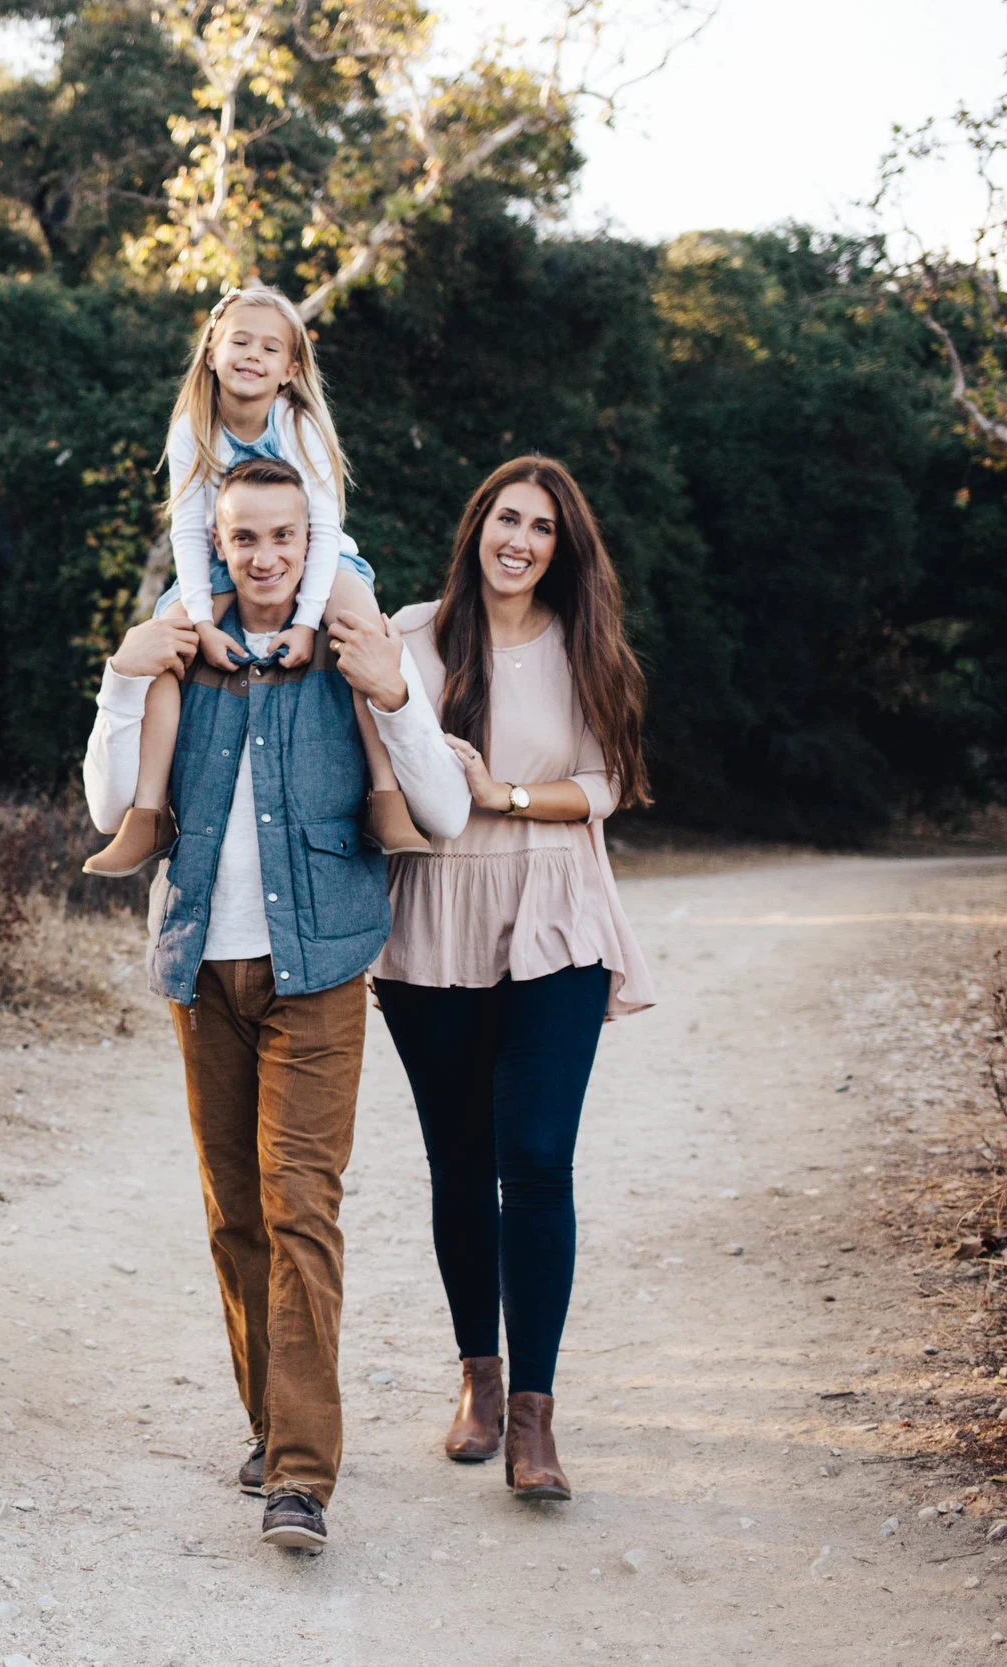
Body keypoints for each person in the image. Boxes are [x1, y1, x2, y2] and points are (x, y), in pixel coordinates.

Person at [83, 456, 470, 1551]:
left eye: (283, 539)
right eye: (243, 539)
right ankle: (267, 1423)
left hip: (321, 973)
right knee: (235, 1210)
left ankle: (300, 1474)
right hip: (202, 972)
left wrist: (395, 691)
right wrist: (122, 672)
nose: (263, 558)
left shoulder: (349, 654)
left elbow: (438, 807)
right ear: (218, 547)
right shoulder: (179, 662)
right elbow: (112, 801)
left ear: (314, 549)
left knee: (302, 1205)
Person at [368, 455, 658, 1504]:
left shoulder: (584, 648)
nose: (520, 539)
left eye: (541, 527)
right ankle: (476, 1386)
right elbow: (365, 761)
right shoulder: (407, 636)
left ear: (559, 548)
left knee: (535, 1158)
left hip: (554, 914)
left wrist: (505, 795)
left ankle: (534, 1416)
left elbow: (605, 781)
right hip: (433, 919)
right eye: (506, 517)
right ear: (475, 525)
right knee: (459, 1161)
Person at [82, 287, 428, 879]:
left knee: (362, 629)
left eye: (270, 347)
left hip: (315, 557)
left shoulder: (297, 424)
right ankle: (147, 814)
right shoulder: (192, 427)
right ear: (212, 351)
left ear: (290, 370)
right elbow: (189, 534)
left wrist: (305, 618)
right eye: (239, 341)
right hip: (224, 559)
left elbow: (323, 528)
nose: (252, 354)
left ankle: (386, 797)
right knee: (164, 646)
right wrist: (196, 622)